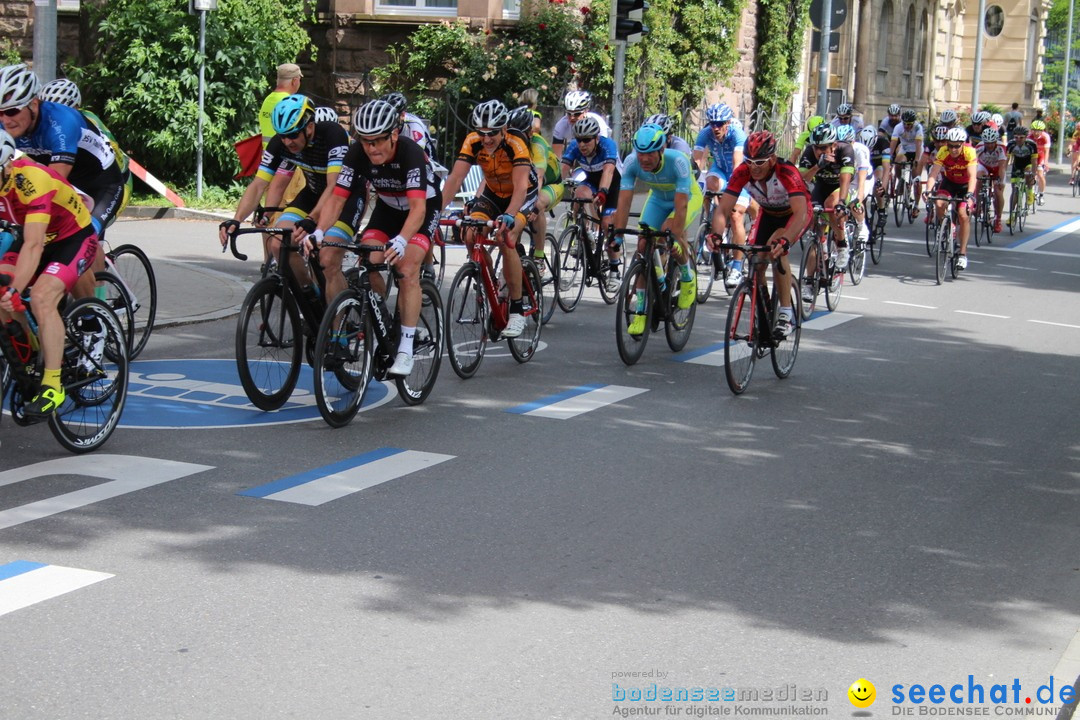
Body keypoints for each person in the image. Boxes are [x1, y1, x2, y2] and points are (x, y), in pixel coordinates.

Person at [296, 99, 443, 376]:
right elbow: (337, 200)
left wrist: (401, 241)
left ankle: (405, 349)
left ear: (394, 135)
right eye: (365, 141)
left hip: (421, 210)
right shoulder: (356, 154)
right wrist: (318, 232)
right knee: (370, 257)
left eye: (377, 141)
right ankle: (382, 318)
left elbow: (418, 209)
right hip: (387, 208)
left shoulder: (410, 153)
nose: (371, 148)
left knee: (406, 267)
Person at [218, 94, 357, 303]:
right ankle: (311, 295)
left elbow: (334, 186)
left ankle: (340, 331)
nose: (287, 141)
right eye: (282, 136)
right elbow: (258, 185)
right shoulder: (280, 143)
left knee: (328, 260)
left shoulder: (332, 135)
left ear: (309, 127)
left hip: (345, 196)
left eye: (292, 135)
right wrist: (236, 220)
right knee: (278, 243)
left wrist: (312, 219)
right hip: (312, 193)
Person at [0, 129, 98, 416]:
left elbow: (34, 245)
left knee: (41, 297)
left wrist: (15, 290)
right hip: (32, 235)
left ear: (6, 166)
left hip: (73, 237)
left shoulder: (32, 180)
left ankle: (52, 386)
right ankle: (29, 357)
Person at [440, 99, 538, 338]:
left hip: (521, 194)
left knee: (506, 237)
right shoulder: (473, 142)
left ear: (504, 129)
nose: (486, 139)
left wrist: (510, 215)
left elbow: (521, 187)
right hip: (493, 193)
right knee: (471, 232)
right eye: (481, 133)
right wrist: (434, 212)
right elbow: (454, 180)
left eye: (492, 133)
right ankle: (490, 280)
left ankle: (516, 309)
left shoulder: (517, 144)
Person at [708, 131, 809, 338]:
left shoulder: (787, 172)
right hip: (768, 213)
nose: (754, 167)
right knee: (756, 261)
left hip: (795, 215)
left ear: (772, 159)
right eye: (750, 161)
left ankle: (786, 313)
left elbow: (800, 213)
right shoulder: (743, 171)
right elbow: (723, 208)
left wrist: (786, 240)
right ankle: (763, 308)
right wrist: (716, 235)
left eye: (760, 162)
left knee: (776, 248)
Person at [613, 123, 702, 336]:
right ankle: (642, 310)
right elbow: (624, 203)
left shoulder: (678, 162)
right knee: (643, 244)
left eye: (650, 154)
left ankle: (687, 277)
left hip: (686, 198)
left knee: (668, 231)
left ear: (661, 150)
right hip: (658, 200)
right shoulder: (631, 162)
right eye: (640, 153)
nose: (644, 159)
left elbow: (681, 206)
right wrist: (617, 235)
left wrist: (673, 236)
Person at [559, 114, 622, 285]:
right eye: (579, 140)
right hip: (591, 179)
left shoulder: (608, 145)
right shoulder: (574, 147)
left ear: (596, 138)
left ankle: (615, 269)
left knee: (608, 225)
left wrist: (602, 192)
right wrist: (554, 189)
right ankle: (587, 233)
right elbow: (563, 170)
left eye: (587, 140)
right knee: (580, 193)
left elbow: (608, 172)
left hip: (613, 183)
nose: (582, 144)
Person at [693, 102, 750, 288]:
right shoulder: (705, 133)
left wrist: (730, 194)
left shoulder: (737, 134)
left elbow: (737, 164)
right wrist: (691, 183)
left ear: (727, 122)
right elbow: (697, 162)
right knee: (710, 184)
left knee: (735, 215)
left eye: (719, 124)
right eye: (712, 123)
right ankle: (712, 223)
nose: (715, 127)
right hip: (719, 169)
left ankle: (737, 265)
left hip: (738, 173)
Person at [508, 105, 562, 270]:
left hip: (550, 183)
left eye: (518, 134)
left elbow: (538, 177)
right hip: (528, 183)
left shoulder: (537, 144)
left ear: (529, 134)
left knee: (537, 204)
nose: (513, 138)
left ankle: (539, 256)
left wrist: (531, 205)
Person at [798, 123, 855, 271]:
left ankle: (842, 244)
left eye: (823, 147)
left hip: (840, 187)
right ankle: (809, 283)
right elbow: (802, 180)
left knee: (831, 204)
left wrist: (841, 202)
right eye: (816, 147)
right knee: (815, 228)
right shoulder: (810, 152)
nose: (818, 151)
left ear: (834, 145)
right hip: (821, 186)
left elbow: (845, 178)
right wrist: (817, 166)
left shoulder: (845, 150)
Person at [925, 126, 977, 271]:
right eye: (950, 145)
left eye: (956, 146)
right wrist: (928, 190)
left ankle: (962, 254)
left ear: (962, 144)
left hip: (965, 186)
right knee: (939, 202)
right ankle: (947, 227)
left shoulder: (969, 151)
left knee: (963, 214)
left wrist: (970, 194)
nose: (953, 149)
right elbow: (934, 174)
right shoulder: (943, 151)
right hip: (949, 182)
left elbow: (973, 176)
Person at [551, 91, 610, 159]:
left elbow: (604, 152)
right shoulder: (561, 126)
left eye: (577, 114)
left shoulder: (598, 123)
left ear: (586, 111)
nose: (572, 117)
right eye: (569, 114)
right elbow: (556, 157)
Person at [260, 64, 302, 148]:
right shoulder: (291, 102)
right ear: (294, 81)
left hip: (267, 157)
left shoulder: (267, 100)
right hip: (283, 156)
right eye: (300, 80)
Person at [975, 127, 1007, 233]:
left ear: (995, 141)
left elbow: (1002, 167)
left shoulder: (1001, 147)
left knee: (998, 192)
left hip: (998, 168)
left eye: (991, 143)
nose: (989, 145)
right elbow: (973, 163)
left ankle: (998, 219)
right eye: (987, 143)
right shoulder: (979, 146)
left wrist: (1001, 181)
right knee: (979, 179)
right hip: (984, 166)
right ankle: (977, 205)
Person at [889, 110, 924, 203]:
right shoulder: (898, 127)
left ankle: (916, 205)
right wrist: (889, 156)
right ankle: (902, 182)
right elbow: (894, 142)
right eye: (905, 124)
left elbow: (918, 144)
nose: (907, 126)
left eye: (909, 124)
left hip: (917, 150)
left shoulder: (918, 127)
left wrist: (916, 159)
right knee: (898, 163)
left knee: (916, 178)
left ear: (913, 123)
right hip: (904, 149)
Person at [1005, 125, 1038, 221]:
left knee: (1028, 173)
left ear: (1026, 137)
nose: (1018, 139)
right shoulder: (1011, 144)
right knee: (1014, 190)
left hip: (1028, 163)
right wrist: (1003, 172)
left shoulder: (1031, 144)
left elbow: (1034, 161)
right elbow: (1006, 160)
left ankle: (1030, 190)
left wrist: (1033, 174)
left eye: (1021, 138)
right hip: (1017, 165)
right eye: (1016, 137)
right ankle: (1012, 215)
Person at [1029, 119, 1051, 205]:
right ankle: (1030, 191)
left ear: (1042, 131)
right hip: (1031, 156)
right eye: (1034, 130)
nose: (1036, 132)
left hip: (1041, 155)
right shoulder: (1029, 137)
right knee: (1029, 174)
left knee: (1040, 175)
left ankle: (1041, 195)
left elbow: (1046, 151)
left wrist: (1046, 162)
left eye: (1038, 131)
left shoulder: (1045, 137)